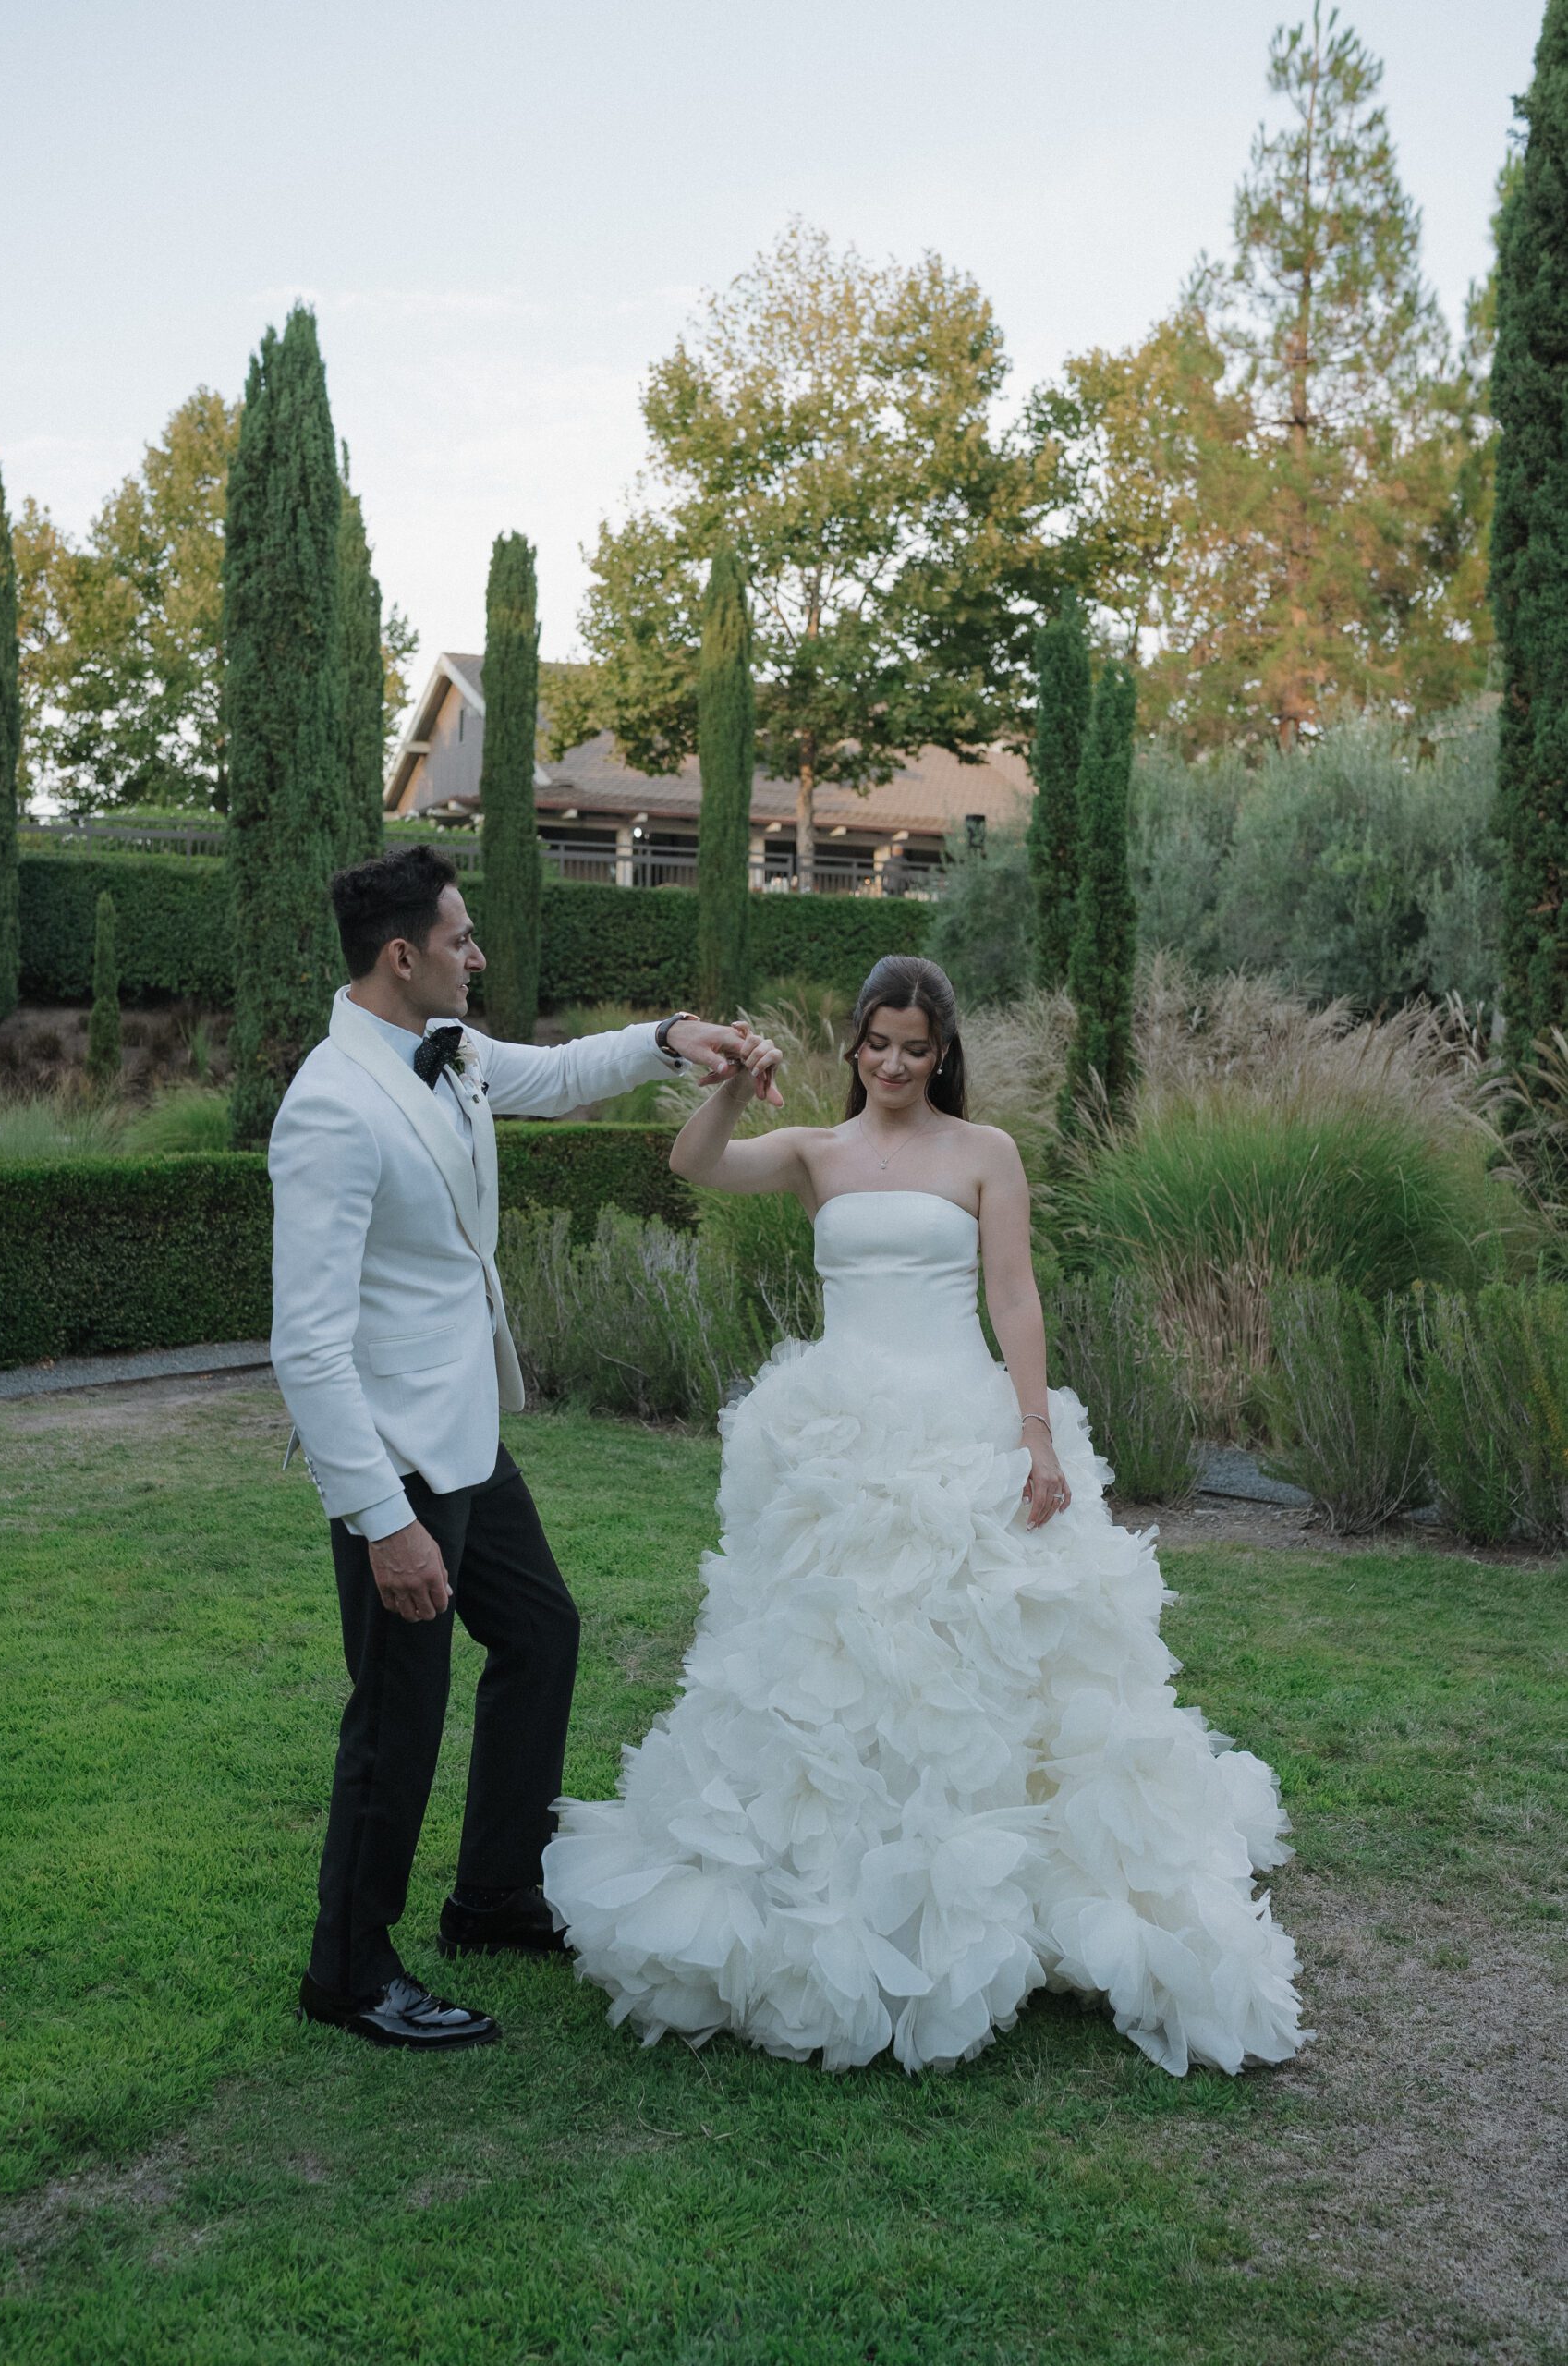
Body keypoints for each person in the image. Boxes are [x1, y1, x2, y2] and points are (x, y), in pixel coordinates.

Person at [544, 955, 1307, 2077]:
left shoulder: (985, 1154)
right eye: (876, 1043)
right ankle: (841, 1876)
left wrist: (1035, 1433)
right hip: (839, 1435)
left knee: (981, 1656)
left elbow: (1013, 1296)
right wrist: (729, 1079)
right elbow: (693, 1163)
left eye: (914, 1047)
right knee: (836, 1660)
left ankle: (1001, 1879)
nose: (894, 1063)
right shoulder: (817, 1151)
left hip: (959, 1424)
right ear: (853, 1046)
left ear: (942, 1052)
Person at [270, 844, 752, 2051]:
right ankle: (348, 1970)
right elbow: (306, 1346)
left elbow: (554, 1070)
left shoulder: (455, 1053)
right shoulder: (331, 1105)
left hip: (467, 1437)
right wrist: (383, 1522)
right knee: (396, 1716)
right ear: (400, 957)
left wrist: (671, 1035)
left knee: (540, 1630)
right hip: (399, 1465)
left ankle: (492, 1893)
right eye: (461, 938)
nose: (477, 956)